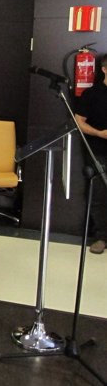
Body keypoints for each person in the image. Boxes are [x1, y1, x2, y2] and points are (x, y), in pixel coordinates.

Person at [74, 54, 107, 255]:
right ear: (104, 69)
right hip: (99, 152)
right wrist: (100, 134)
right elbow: (79, 122)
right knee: (99, 197)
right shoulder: (92, 94)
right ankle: (102, 237)